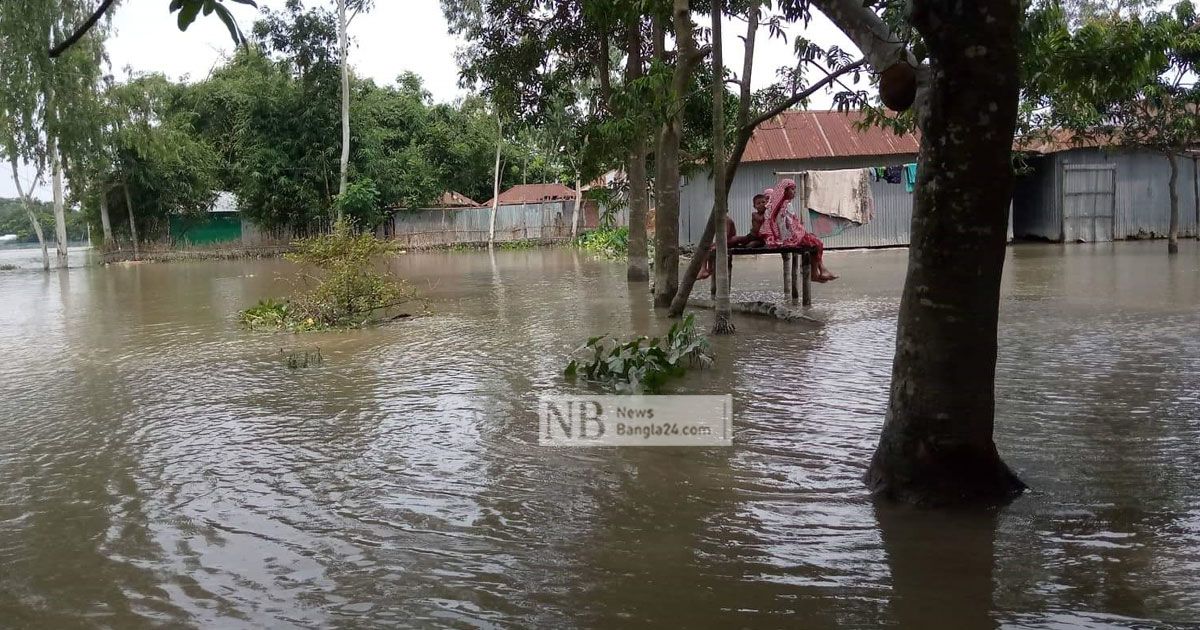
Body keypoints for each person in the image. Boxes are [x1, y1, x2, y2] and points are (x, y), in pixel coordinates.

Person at [762, 178, 838, 282]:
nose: (795, 192)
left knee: (813, 240)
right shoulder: (785, 205)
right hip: (788, 239)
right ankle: (819, 271)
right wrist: (797, 236)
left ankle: (817, 272)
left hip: (786, 238)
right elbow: (786, 226)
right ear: (785, 191)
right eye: (792, 189)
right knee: (816, 243)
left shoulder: (779, 205)